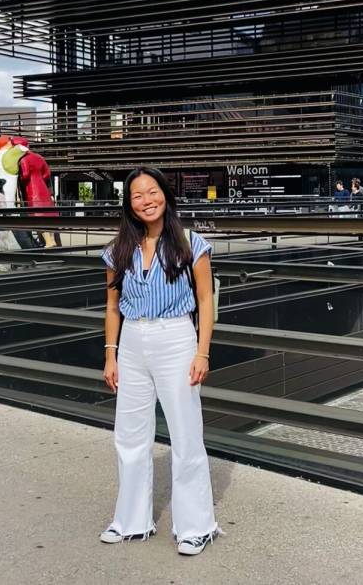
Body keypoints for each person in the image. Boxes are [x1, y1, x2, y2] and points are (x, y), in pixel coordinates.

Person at [100, 166, 219, 556]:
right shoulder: (119, 250)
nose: (146, 201)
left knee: (186, 434)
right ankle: (131, 520)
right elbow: (112, 307)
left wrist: (202, 351)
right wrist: (111, 355)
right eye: (137, 195)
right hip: (133, 340)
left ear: (165, 195)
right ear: (129, 204)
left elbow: (205, 301)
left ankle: (196, 527)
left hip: (176, 338)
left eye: (152, 192)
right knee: (130, 434)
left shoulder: (191, 244)